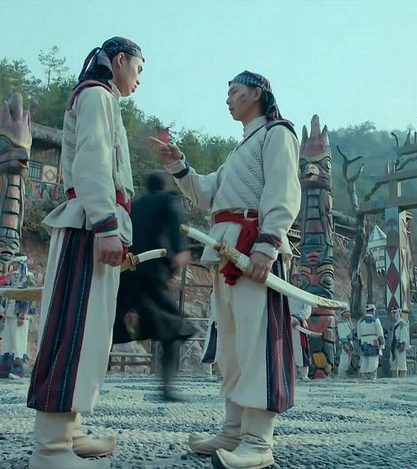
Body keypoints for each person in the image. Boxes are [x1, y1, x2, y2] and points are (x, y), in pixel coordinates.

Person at [153, 70, 301, 469]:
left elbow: (284, 191)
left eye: (234, 91)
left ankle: (258, 440)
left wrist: (268, 245)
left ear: (256, 93)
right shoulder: (240, 150)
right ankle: (233, 430)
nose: (228, 99)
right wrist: (180, 166)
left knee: (256, 343)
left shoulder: (277, 134)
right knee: (232, 345)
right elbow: (207, 194)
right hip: (226, 250)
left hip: (254, 248)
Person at [26, 36, 144, 469]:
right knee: (73, 330)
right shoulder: (96, 95)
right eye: (138, 69)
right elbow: (92, 162)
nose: (139, 79)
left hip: (93, 225)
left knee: (90, 333)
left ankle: (69, 430)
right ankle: (51, 447)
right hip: (88, 228)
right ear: (119, 60)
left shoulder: (103, 98)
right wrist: (106, 225)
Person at [113, 171, 195, 401]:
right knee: (174, 327)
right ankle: (167, 388)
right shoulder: (168, 200)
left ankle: (85, 377)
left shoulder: (135, 206)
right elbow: (175, 226)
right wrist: (181, 250)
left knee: (112, 326)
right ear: (165, 185)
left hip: (128, 273)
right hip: (153, 273)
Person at [0, 253, 36, 379]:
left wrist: (23, 314)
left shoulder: (28, 277)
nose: (12, 265)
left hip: (18, 313)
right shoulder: (14, 277)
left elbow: (28, 295)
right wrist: (4, 311)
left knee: (18, 342)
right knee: (7, 342)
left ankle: (18, 370)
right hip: (10, 312)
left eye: (14, 263)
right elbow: (7, 294)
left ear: (20, 264)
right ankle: (5, 369)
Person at [287, 274, 312, 381]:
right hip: (287, 323)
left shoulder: (304, 295)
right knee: (288, 347)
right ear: (292, 280)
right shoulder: (286, 293)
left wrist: (299, 318)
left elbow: (307, 309)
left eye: (300, 280)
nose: (299, 282)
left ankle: (303, 373)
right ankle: (292, 373)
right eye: (297, 280)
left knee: (302, 348)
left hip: (299, 324)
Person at [356, 304, 384, 380]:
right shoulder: (376, 320)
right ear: (373, 311)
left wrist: (360, 343)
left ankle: (363, 374)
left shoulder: (360, 321)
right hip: (373, 341)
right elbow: (380, 333)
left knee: (364, 359)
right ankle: (371, 374)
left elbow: (358, 334)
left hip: (363, 341)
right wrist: (381, 344)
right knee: (373, 359)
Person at [389, 308, 409, 378]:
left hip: (399, 345)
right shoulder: (394, 324)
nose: (393, 315)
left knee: (402, 363)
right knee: (393, 363)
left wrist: (402, 346)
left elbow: (404, 336)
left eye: (394, 313)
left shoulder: (402, 324)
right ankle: (394, 378)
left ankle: (402, 379)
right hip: (393, 345)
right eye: (392, 313)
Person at [336, 309, 354, 379]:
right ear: (343, 313)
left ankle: (343, 375)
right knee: (344, 360)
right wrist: (345, 344)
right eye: (347, 312)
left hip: (349, 341)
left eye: (349, 312)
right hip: (344, 342)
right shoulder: (341, 323)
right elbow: (342, 334)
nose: (349, 313)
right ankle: (341, 375)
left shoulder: (348, 321)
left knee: (347, 360)